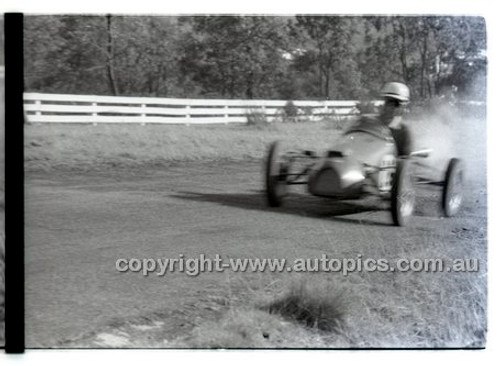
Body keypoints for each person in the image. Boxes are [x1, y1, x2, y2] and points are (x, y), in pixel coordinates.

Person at [378, 82, 413, 156]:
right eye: (388, 101)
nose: (389, 107)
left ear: (403, 106)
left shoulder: (404, 131)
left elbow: (405, 162)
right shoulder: (372, 123)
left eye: (396, 103)